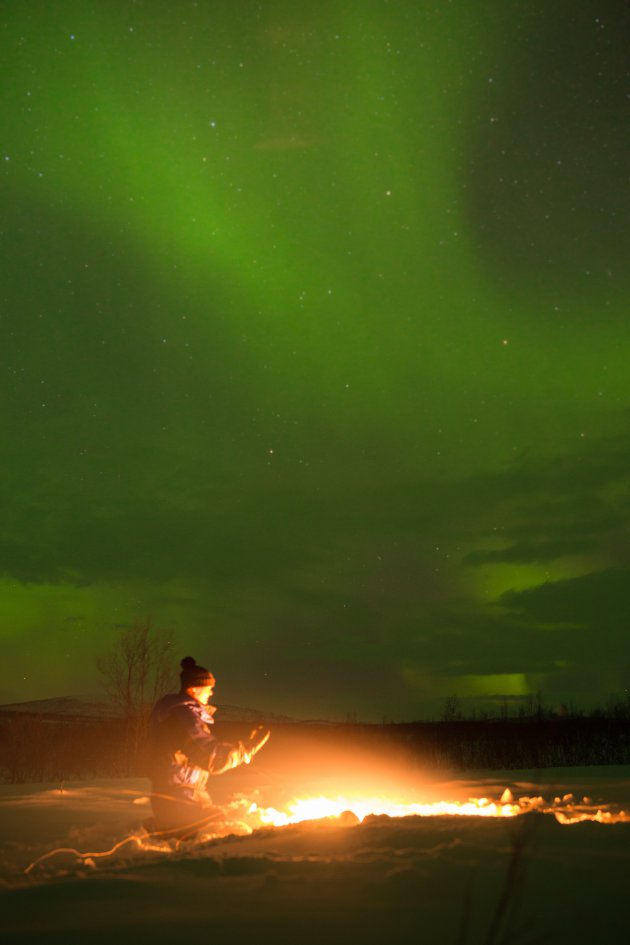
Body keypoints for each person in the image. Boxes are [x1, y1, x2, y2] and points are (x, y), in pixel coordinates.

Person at [147, 656, 269, 838]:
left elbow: (202, 749)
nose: (211, 693)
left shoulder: (178, 714)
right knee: (189, 852)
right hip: (180, 799)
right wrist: (245, 750)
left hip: (181, 795)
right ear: (195, 688)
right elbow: (213, 759)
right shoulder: (183, 717)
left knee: (193, 843)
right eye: (209, 689)